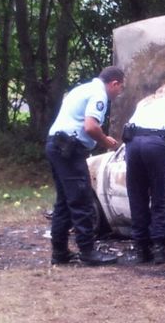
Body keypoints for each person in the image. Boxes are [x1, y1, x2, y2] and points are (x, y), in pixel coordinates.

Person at [46, 66, 124, 266]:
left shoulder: (81, 89)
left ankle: (60, 252)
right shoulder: (99, 94)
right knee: (82, 199)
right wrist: (106, 141)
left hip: (56, 145)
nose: (118, 93)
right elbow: (90, 126)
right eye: (120, 88)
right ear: (114, 83)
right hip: (70, 150)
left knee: (64, 202)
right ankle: (88, 252)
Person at [124, 82, 165, 264]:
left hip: (132, 145)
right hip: (155, 143)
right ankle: (159, 250)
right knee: (159, 196)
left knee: (137, 196)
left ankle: (140, 250)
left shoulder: (144, 103)